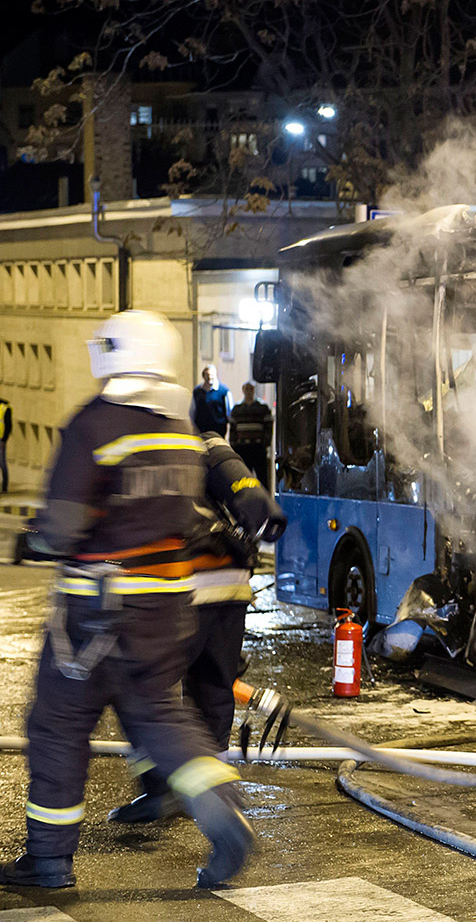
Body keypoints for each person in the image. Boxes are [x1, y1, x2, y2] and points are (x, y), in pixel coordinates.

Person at [0, 310, 254, 889]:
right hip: (167, 608)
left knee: (57, 726)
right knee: (160, 715)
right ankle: (221, 808)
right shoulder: (177, 430)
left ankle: (48, 859)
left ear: (112, 353)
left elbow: (61, 528)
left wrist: (31, 540)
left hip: (95, 612)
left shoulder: (94, 425)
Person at [109, 432, 285, 824]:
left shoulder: (138, 445)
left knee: (146, 690)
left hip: (186, 585)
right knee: (215, 690)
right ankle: (213, 795)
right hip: (233, 584)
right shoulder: (209, 448)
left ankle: (159, 790)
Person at [228, 383, 272, 486]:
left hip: (258, 447)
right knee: (243, 478)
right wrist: (234, 445)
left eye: (250, 388)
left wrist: (265, 443)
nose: (248, 391)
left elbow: (269, 427)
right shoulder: (237, 409)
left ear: (254, 390)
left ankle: (263, 500)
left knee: (262, 479)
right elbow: (232, 429)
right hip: (242, 448)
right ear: (243, 390)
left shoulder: (262, 408)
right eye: (246, 388)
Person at [191, 365, 231, 437]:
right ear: (203, 376)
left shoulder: (223, 391)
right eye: (207, 375)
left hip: (218, 430)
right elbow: (192, 411)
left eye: (212, 375)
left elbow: (229, 411)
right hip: (201, 430)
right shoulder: (197, 391)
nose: (210, 377)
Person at [0, 394, 10, 493]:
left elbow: (8, 426)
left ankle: (4, 487)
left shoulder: (5, 408)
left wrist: (4, 440)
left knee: (2, 463)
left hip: (1, 440)